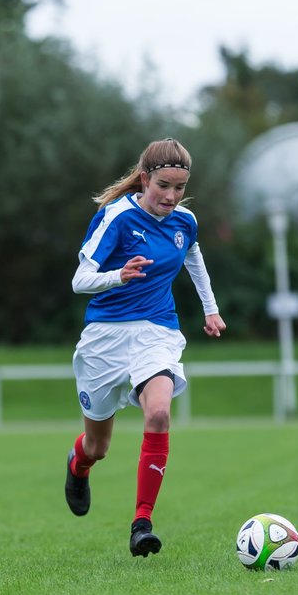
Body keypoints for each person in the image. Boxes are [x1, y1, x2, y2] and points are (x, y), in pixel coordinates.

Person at [63, 138, 226, 557]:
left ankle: (142, 522)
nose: (171, 197)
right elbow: (80, 281)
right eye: (164, 186)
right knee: (98, 446)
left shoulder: (185, 221)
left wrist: (211, 310)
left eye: (179, 188)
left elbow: (194, 259)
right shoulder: (115, 217)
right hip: (105, 339)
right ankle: (77, 465)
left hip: (157, 332)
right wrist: (120, 275)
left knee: (158, 413)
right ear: (144, 178)